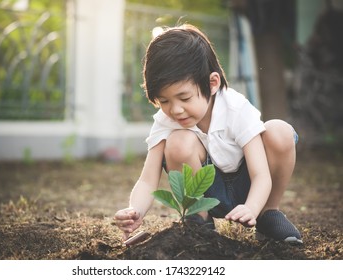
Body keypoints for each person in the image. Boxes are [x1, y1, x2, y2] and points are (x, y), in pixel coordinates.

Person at [114, 24, 302, 244]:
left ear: (212, 83)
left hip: (251, 188)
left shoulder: (236, 108)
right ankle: (199, 221)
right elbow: (147, 180)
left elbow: (261, 174)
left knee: (279, 131)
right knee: (177, 142)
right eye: (164, 101)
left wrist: (251, 207)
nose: (175, 110)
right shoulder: (167, 121)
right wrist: (134, 210)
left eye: (184, 98)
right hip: (207, 195)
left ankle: (268, 214)